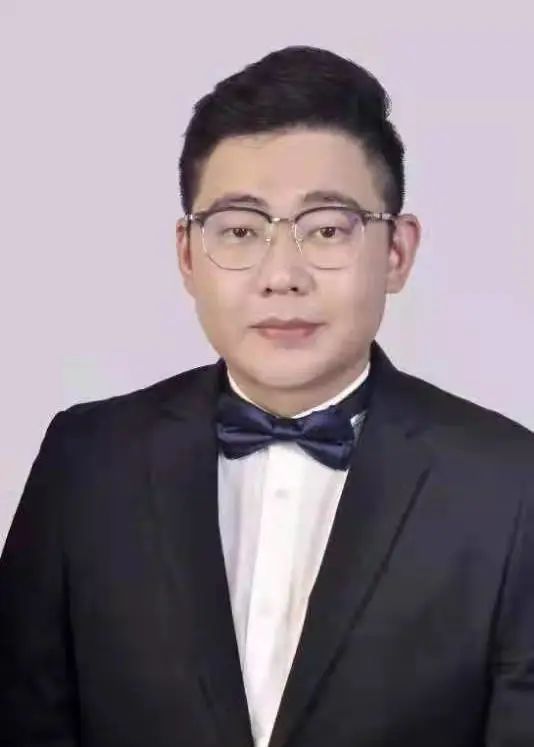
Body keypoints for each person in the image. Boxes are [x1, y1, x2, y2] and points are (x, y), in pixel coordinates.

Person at [1, 45, 533, 747]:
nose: (282, 275)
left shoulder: (510, 484)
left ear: (397, 253)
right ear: (188, 255)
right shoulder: (86, 462)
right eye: (241, 231)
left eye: (328, 229)